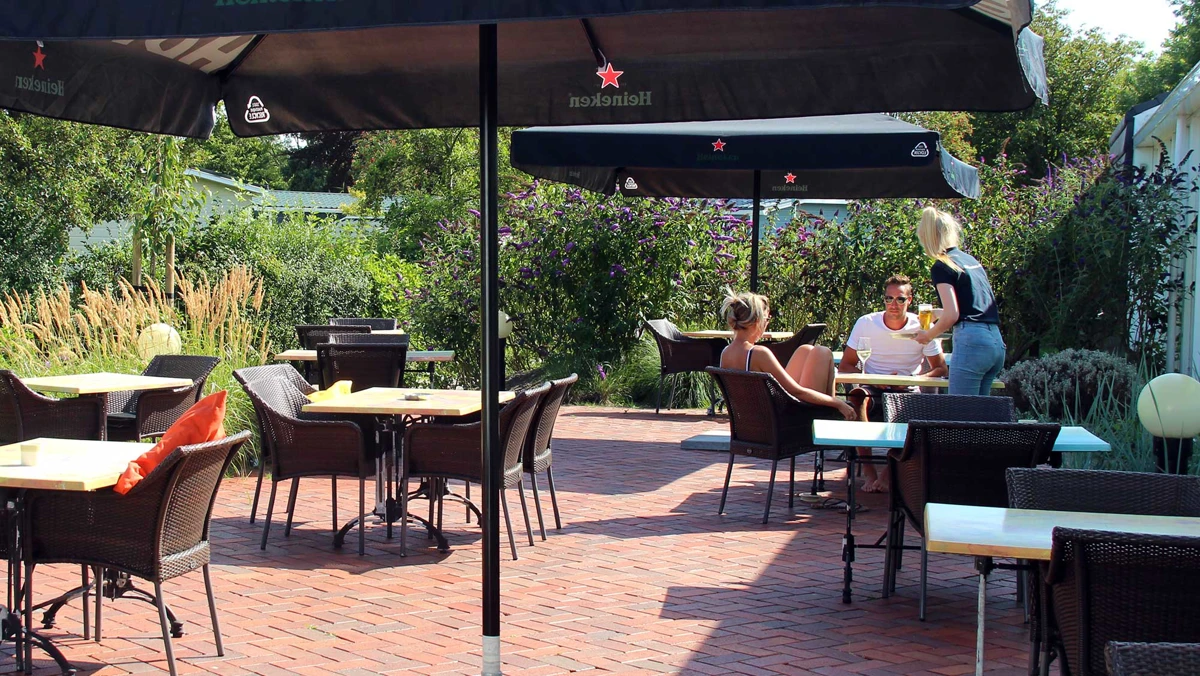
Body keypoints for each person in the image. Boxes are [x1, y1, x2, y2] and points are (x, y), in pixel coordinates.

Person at [839, 274, 947, 492]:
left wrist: (914, 380)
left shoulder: (922, 325)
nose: (893, 304)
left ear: (910, 300)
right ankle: (869, 471)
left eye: (900, 299)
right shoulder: (867, 323)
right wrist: (871, 379)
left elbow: (941, 368)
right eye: (889, 299)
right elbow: (846, 366)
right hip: (872, 387)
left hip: (907, 389)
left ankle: (888, 473)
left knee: (916, 410)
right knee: (858, 397)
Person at [718, 290, 855, 420]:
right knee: (823, 353)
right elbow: (797, 392)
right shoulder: (758, 353)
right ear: (757, 321)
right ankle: (831, 417)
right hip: (779, 423)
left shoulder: (725, 353)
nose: (767, 324)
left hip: (752, 421)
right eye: (766, 319)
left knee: (805, 350)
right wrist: (838, 403)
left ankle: (831, 415)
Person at [913, 207, 1005, 395]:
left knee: (960, 408)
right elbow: (974, 307)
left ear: (927, 238)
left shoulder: (942, 265)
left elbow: (952, 316)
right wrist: (939, 313)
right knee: (980, 410)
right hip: (995, 341)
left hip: (972, 343)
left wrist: (928, 335)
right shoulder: (970, 260)